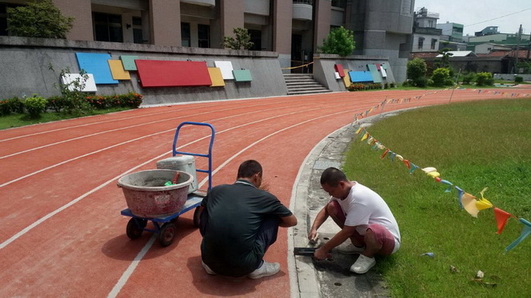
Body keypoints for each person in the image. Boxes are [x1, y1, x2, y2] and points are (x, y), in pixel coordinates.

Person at [199, 160, 298, 279]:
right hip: (244, 266)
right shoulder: (266, 198)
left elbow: (201, 211)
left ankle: (212, 257)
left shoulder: (216, 190)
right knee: (273, 216)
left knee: (206, 210)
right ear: (257, 176)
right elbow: (292, 221)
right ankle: (257, 267)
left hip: (209, 261)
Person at [308, 167, 400, 274]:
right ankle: (358, 246)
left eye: (331, 191)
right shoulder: (343, 192)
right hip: (365, 234)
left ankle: (368, 256)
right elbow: (326, 210)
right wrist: (314, 229)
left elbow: (348, 231)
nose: (330, 195)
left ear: (341, 184)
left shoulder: (359, 197)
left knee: (374, 230)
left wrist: (324, 249)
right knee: (331, 207)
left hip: (386, 241)